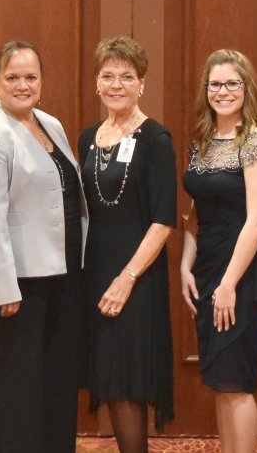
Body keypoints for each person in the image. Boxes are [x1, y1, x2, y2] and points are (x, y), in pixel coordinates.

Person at [0, 40, 86, 453]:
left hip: (60, 278)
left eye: (30, 77)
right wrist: (4, 287)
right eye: (12, 77)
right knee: (14, 395)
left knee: (55, 383)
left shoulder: (50, 123)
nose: (22, 85)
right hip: (15, 287)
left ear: (41, 82)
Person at [77, 36, 177, 453]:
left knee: (126, 386)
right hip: (94, 275)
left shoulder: (156, 140)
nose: (117, 84)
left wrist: (127, 278)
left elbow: (163, 221)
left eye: (127, 77)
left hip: (135, 278)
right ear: (97, 83)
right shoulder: (86, 139)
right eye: (108, 76)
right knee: (107, 381)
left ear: (142, 84)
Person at [179, 49, 257, 453]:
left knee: (236, 380)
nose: (222, 91)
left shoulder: (256, 142)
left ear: (247, 88)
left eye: (231, 83)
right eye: (215, 84)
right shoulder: (201, 142)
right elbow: (194, 213)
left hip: (241, 271)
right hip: (206, 268)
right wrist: (186, 266)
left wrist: (228, 284)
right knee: (219, 379)